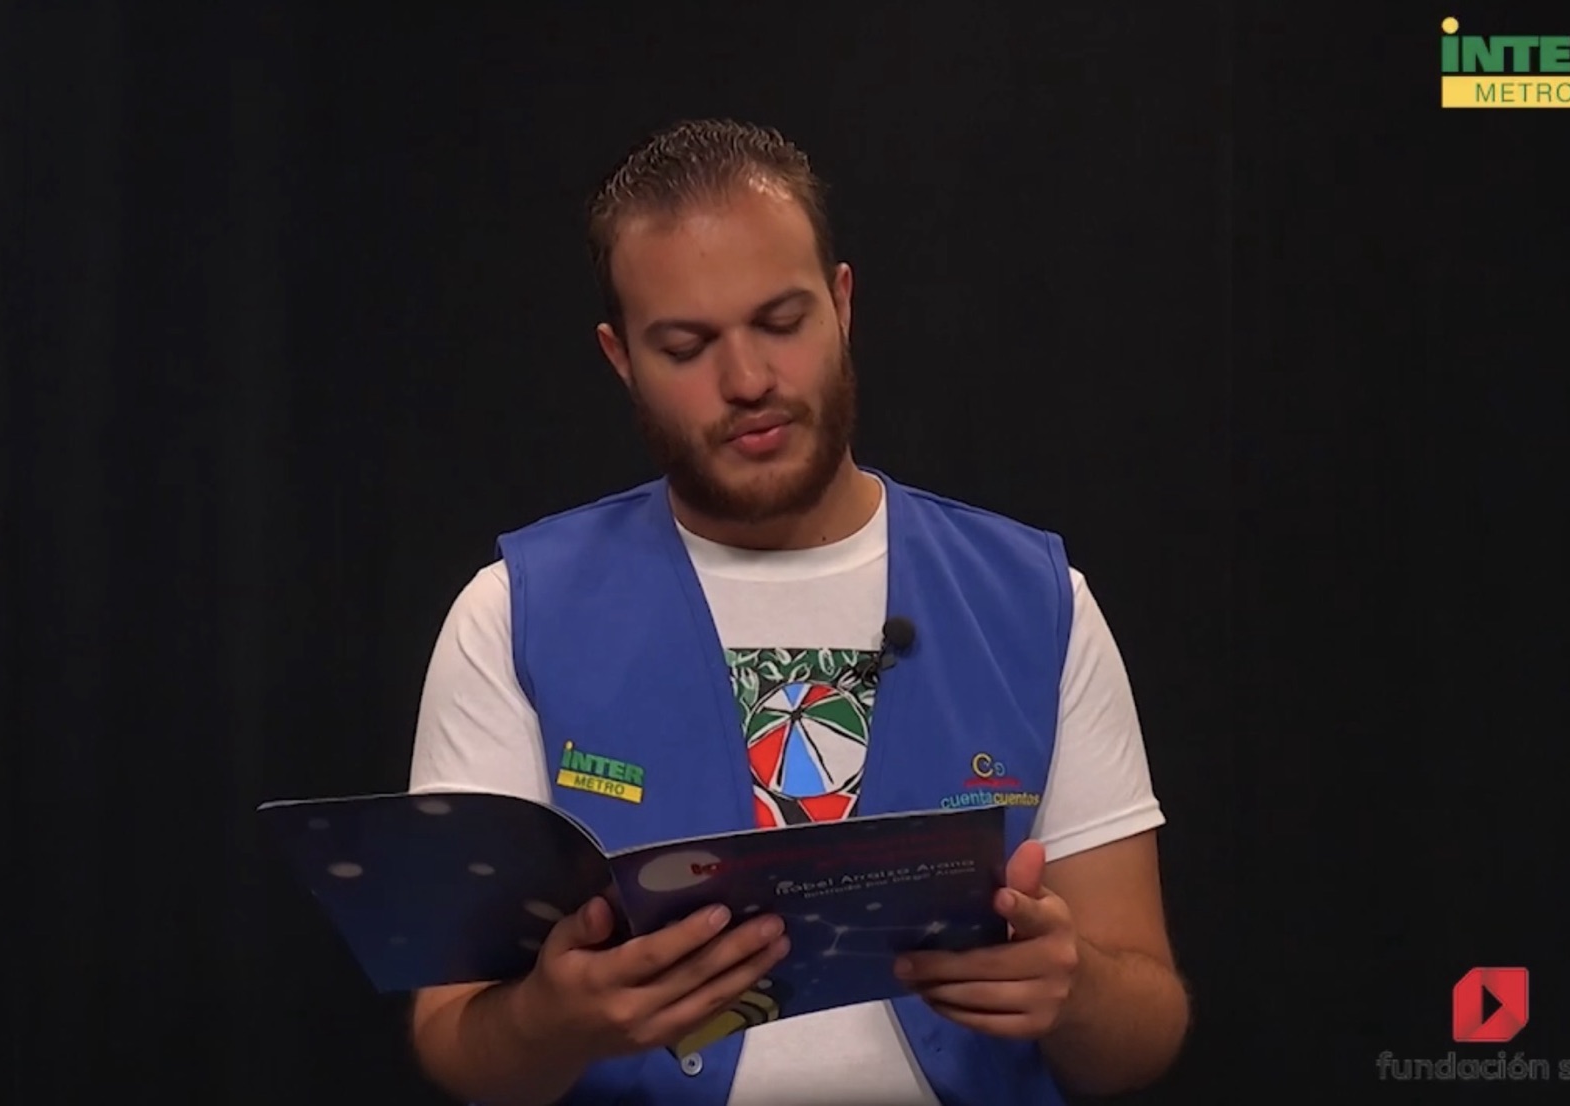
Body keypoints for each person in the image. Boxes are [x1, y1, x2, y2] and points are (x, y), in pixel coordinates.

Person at [402, 118, 1188, 1106]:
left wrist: (1071, 990)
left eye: (781, 323)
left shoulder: (1035, 601)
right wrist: (549, 1020)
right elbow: (457, 1044)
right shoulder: (511, 614)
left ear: (842, 303)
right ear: (620, 358)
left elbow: (1141, 1034)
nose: (747, 382)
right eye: (686, 346)